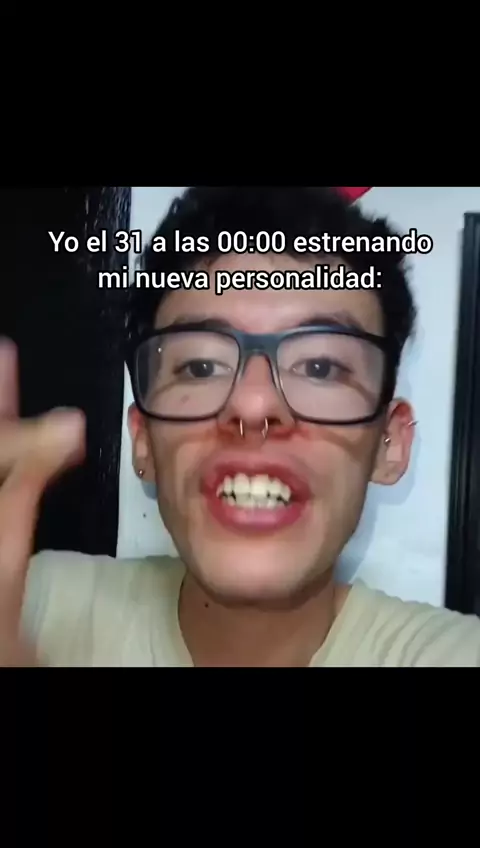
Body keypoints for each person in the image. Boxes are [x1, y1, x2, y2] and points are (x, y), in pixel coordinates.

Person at [1, 186, 480, 667]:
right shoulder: (28, 602)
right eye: (201, 367)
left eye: (320, 367)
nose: (252, 405)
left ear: (389, 443)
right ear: (142, 439)